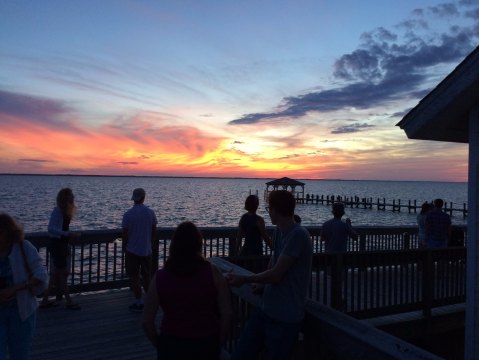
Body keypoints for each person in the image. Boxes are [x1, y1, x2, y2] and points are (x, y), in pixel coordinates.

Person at [227, 190, 312, 360]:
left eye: (269, 208)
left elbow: (276, 275)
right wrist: (261, 284)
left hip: (285, 318)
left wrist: (245, 279)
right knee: (240, 353)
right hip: (266, 310)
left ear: (275, 210)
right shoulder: (278, 232)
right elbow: (272, 263)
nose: (268, 211)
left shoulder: (299, 235)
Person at [142, 221, 232, 360]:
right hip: (206, 344)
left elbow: (147, 321)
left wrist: (160, 345)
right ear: (198, 244)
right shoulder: (213, 273)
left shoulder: (160, 277)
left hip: (171, 345)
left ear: (174, 245)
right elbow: (227, 314)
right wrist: (218, 343)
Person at [0, 212, 48, 360]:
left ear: (9, 232)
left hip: (22, 313)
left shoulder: (23, 248)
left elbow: (41, 275)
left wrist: (15, 288)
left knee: (20, 355)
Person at [40, 187, 80, 310]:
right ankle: (68, 301)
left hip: (61, 245)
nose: (73, 197)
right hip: (57, 245)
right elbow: (51, 229)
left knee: (56, 274)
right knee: (62, 274)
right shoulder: (57, 211)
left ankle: (45, 300)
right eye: (71, 195)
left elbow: (60, 229)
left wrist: (67, 235)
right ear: (65, 198)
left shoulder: (63, 211)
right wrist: (67, 234)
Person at [122, 188, 157, 312]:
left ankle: (139, 301)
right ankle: (150, 300)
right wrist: (150, 243)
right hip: (146, 250)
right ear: (143, 197)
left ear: (133, 198)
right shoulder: (150, 213)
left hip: (132, 250)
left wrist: (125, 248)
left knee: (134, 277)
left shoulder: (128, 214)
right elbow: (154, 231)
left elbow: (125, 234)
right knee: (147, 276)